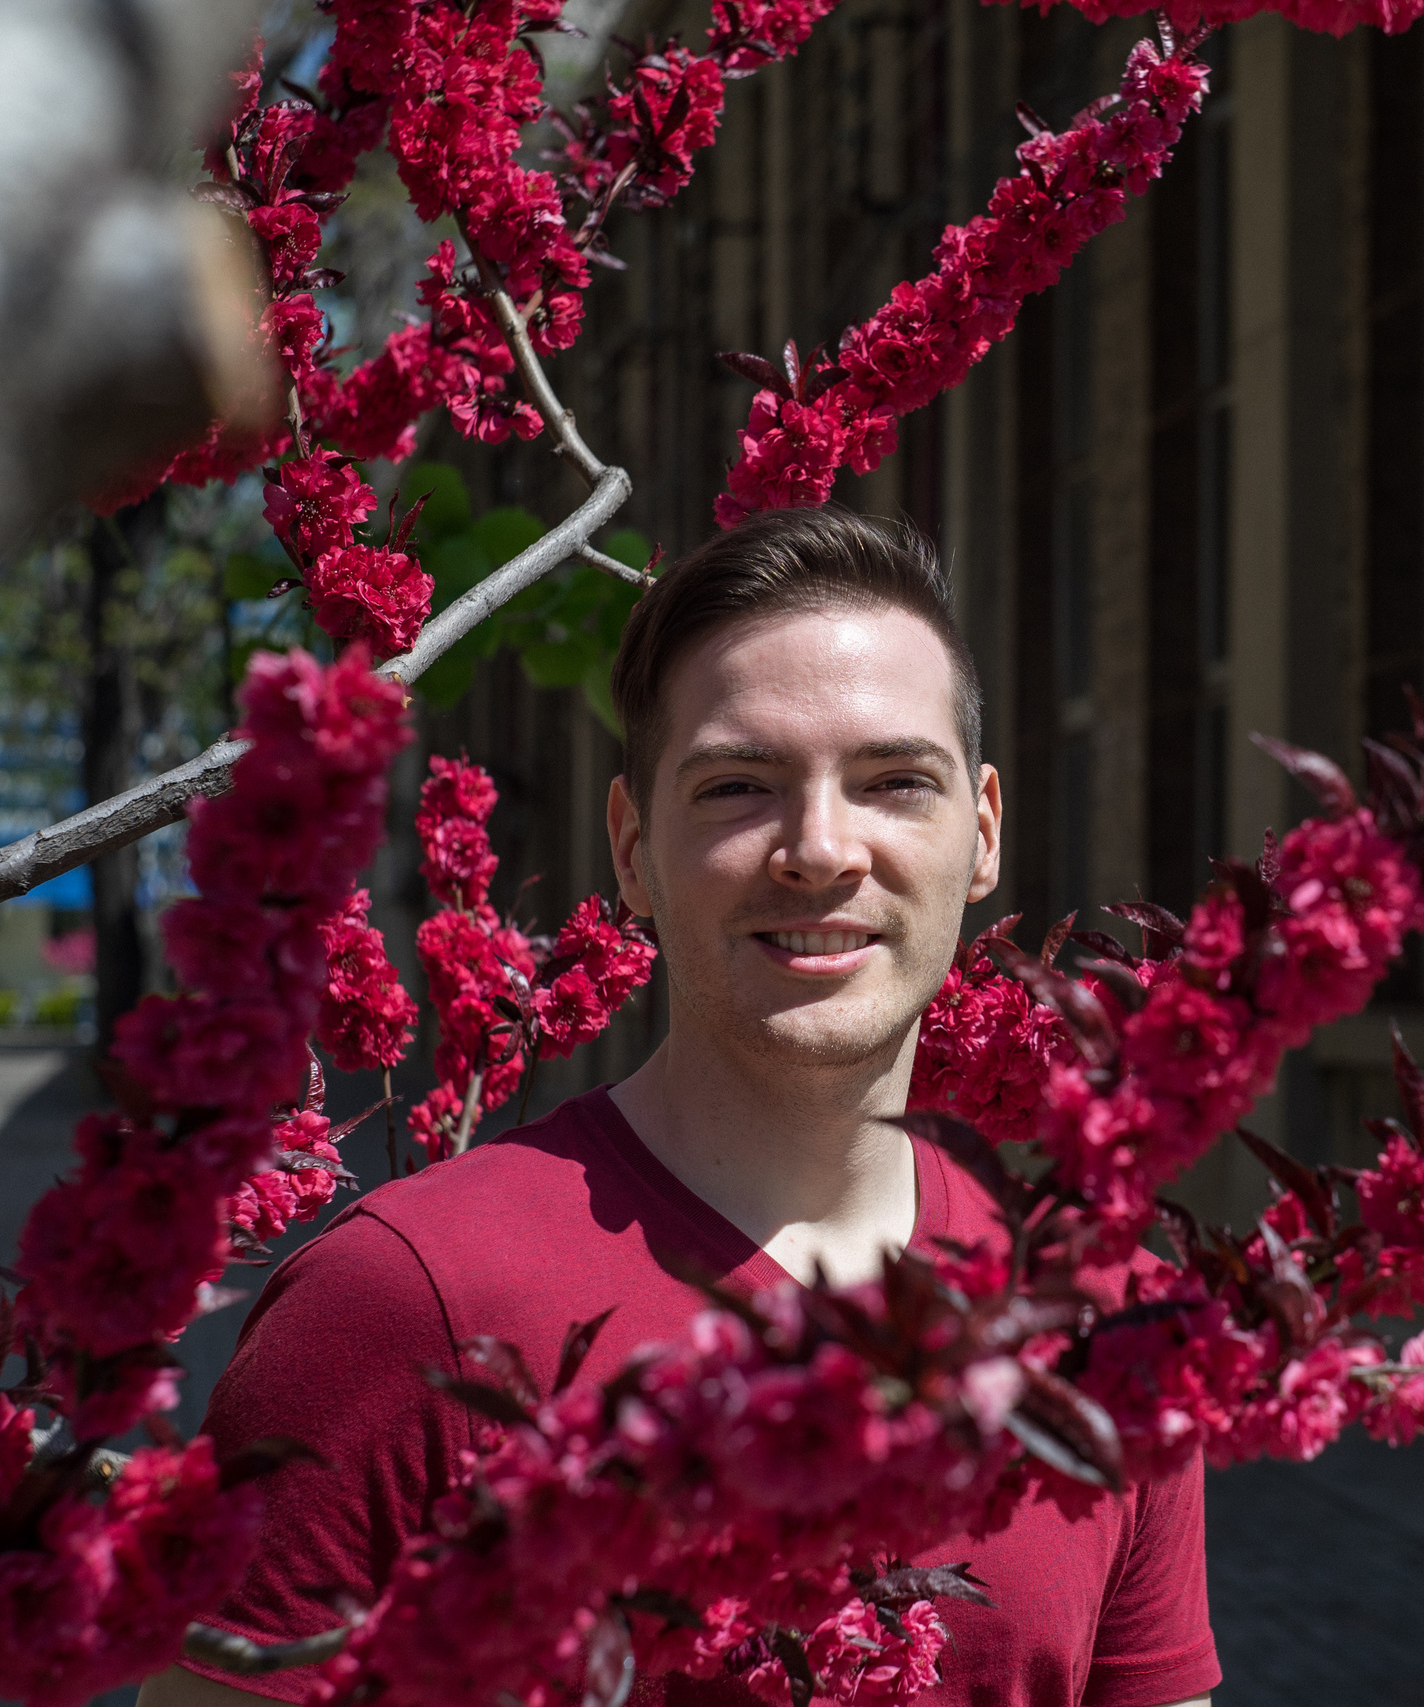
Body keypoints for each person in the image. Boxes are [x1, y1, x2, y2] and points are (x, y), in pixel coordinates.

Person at [139, 506, 1219, 1707]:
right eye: (739, 786)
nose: (819, 849)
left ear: (982, 835)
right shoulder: (406, 1305)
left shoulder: (1105, 1319)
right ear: (633, 847)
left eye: (895, 781)